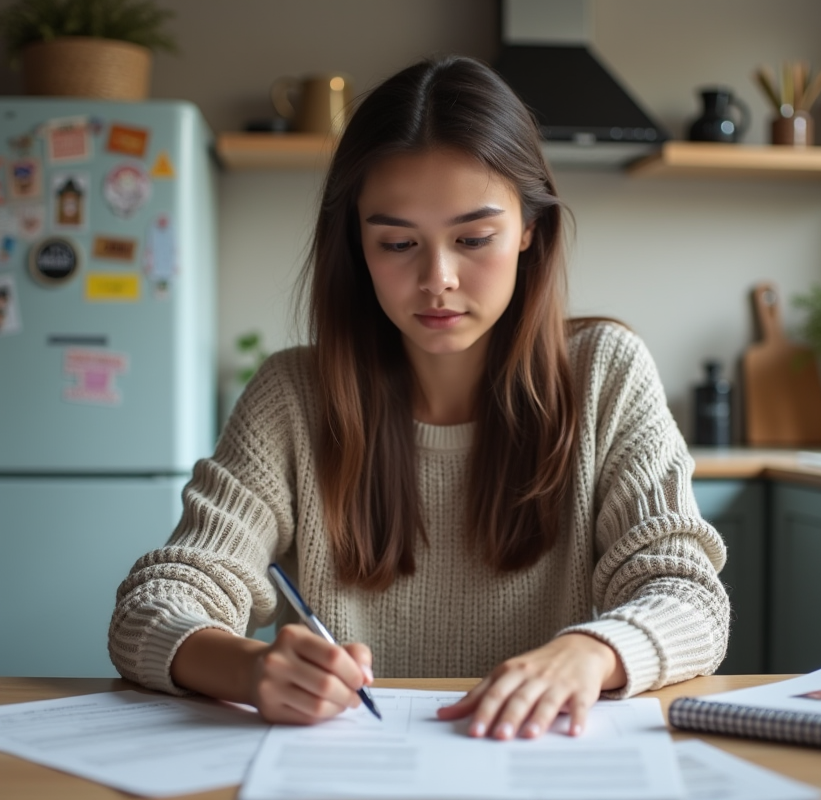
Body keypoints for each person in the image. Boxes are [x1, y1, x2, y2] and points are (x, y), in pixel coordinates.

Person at [109, 54, 729, 741]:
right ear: (357, 244)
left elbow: (690, 598)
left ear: (530, 229)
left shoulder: (607, 374)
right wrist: (250, 670)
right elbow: (154, 603)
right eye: (398, 242)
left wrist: (591, 653)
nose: (437, 279)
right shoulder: (292, 396)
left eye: (473, 238)